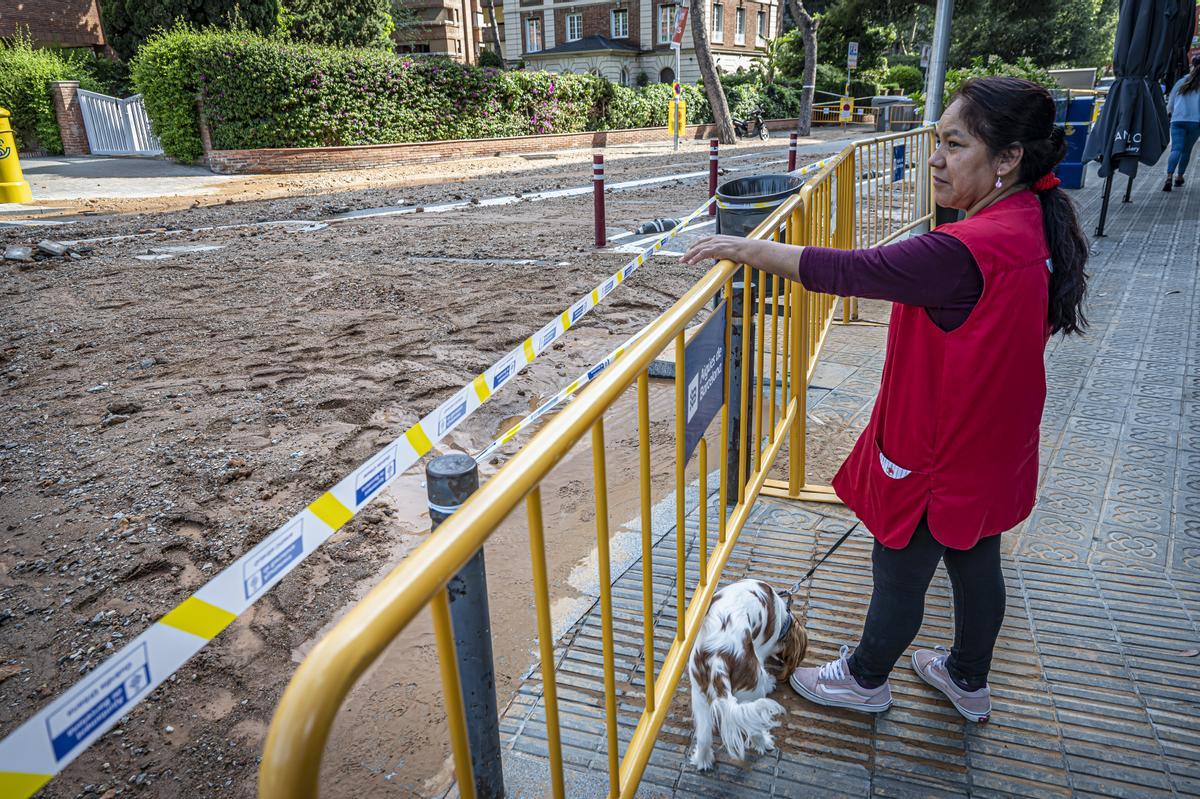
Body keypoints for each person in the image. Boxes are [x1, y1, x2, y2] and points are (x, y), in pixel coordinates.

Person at [680, 77, 1089, 723]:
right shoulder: (1032, 219)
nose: (935, 158)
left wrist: (742, 245)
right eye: (935, 142)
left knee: (899, 565)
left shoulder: (962, 249)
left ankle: (866, 678)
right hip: (996, 442)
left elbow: (850, 270)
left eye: (954, 145)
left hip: (940, 451)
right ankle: (967, 677)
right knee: (977, 557)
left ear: (1008, 158)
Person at [1164, 54, 1200, 191]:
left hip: (1177, 120)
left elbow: (1171, 103)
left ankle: (1169, 177)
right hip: (1195, 122)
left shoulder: (1181, 82)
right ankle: (1179, 177)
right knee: (1186, 151)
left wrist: (1171, 114)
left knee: (1176, 149)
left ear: (1192, 65)